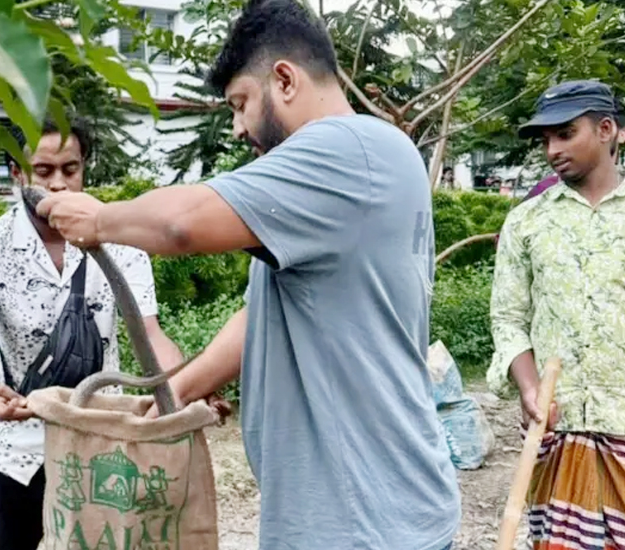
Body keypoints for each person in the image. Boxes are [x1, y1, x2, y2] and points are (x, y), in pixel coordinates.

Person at [35, 0, 462, 547]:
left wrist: (97, 220)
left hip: (362, 519)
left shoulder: (345, 149)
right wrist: (177, 392)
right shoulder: (367, 160)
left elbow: (181, 226)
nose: (237, 128)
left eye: (240, 103)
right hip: (368, 508)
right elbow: (260, 316)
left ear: (284, 79)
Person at [0, 116, 185, 550]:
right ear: (17, 173)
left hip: (102, 442)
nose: (58, 184)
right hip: (16, 447)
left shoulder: (122, 245)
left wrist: (183, 390)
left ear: (84, 168)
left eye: (70, 169)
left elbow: (150, 334)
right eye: (43, 172)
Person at [487, 79, 625, 550]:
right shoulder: (527, 221)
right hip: (559, 436)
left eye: (565, 134)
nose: (552, 150)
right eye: (546, 139)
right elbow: (507, 319)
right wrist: (529, 386)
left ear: (607, 129)